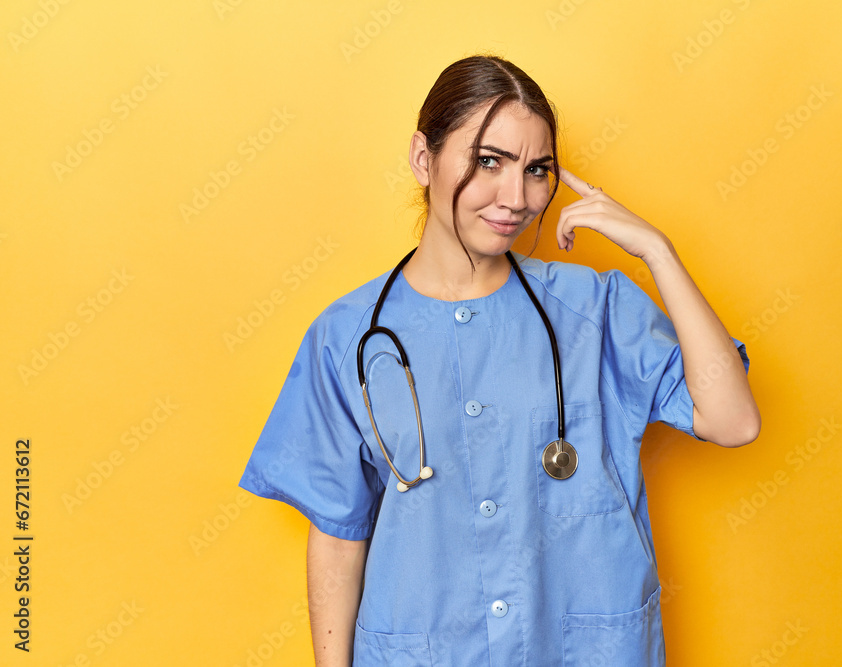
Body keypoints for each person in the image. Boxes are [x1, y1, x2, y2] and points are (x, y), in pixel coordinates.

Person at [238, 54, 759, 666]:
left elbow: (733, 421)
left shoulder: (595, 309)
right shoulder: (348, 337)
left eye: (537, 170)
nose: (517, 198)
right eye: (490, 162)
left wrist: (657, 252)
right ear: (422, 158)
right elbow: (338, 535)